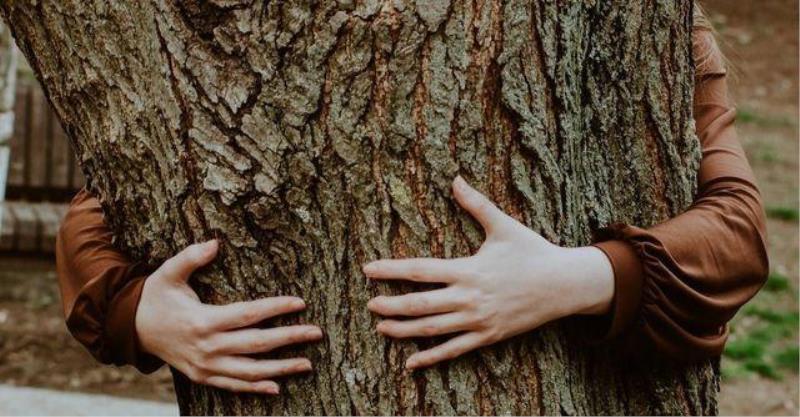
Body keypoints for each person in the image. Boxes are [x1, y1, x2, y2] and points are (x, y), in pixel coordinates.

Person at [55, 6, 768, 394]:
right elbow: (107, 193)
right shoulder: (267, 23)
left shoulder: (642, 26)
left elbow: (738, 231)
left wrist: (575, 278)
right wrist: (138, 311)